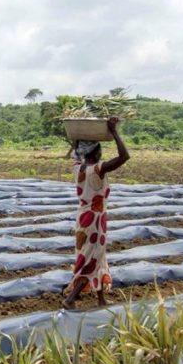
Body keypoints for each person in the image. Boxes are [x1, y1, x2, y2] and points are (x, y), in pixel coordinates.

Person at [62, 116, 131, 309]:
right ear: (97, 152)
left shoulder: (78, 168)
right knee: (91, 258)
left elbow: (76, 150)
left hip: (85, 217)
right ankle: (71, 299)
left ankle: (100, 299)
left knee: (96, 255)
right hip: (94, 219)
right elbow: (125, 156)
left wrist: (77, 134)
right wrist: (114, 131)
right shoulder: (98, 169)